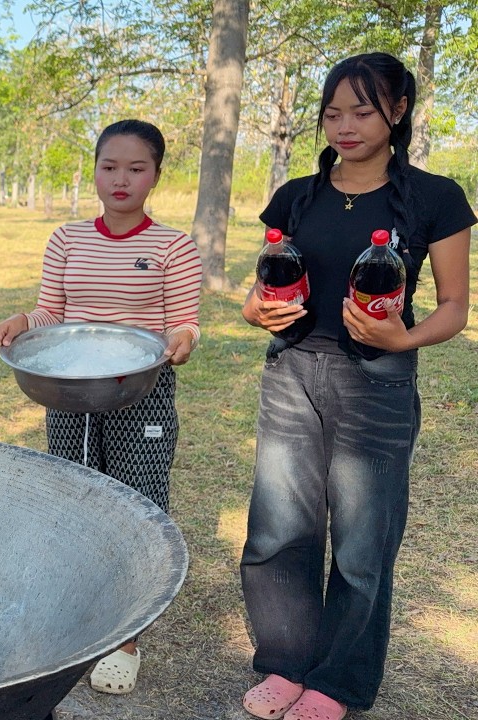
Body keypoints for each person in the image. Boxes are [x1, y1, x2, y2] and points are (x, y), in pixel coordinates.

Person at [238, 53, 473, 720]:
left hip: (378, 382)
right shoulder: (296, 196)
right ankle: (285, 662)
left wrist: (404, 338)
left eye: (362, 110)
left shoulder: (435, 197)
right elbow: (266, 283)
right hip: (291, 374)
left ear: (397, 112)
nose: (344, 125)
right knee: (278, 530)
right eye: (333, 111)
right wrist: (254, 310)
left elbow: (454, 305)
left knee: (364, 542)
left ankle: (339, 681)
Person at [0, 119, 202, 696]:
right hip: (70, 385)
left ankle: (126, 637)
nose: (121, 179)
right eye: (110, 166)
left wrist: (184, 341)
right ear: (95, 170)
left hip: (142, 388)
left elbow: (183, 322)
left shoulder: (173, 246)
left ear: (156, 174)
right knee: (74, 492)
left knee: (139, 497)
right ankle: (78, 611)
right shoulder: (66, 239)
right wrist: (22, 321)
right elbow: (50, 312)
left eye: (136, 168)